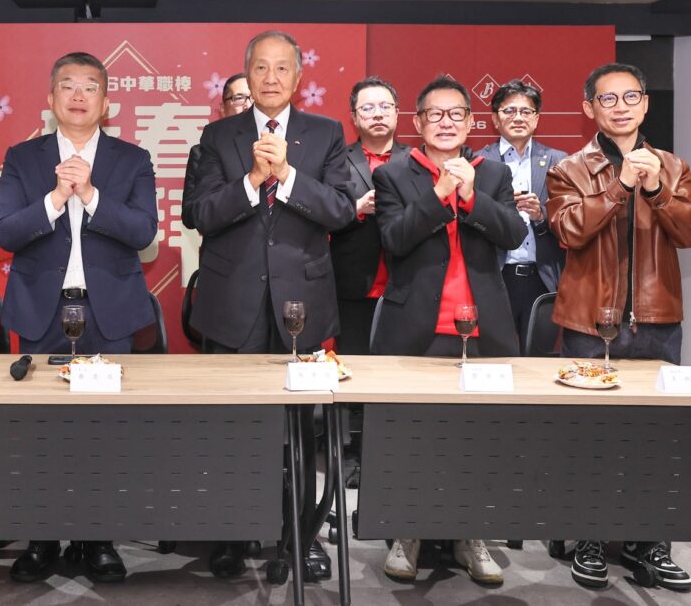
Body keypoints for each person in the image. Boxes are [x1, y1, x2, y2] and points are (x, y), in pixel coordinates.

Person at [185, 31, 356, 581]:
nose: (272, 78)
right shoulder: (218, 136)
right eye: (261, 68)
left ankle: (299, 536)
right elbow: (200, 214)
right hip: (230, 303)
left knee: (300, 433)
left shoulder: (326, 134)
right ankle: (231, 535)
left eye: (283, 68)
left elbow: (341, 211)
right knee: (231, 429)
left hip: (301, 305)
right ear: (248, 74)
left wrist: (286, 176)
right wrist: (253, 179)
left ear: (299, 77)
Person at [0, 51, 157, 584]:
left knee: (104, 431)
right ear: (51, 99)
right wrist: (55, 198)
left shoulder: (132, 159)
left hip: (107, 312)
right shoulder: (23, 157)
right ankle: (42, 537)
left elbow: (143, 232)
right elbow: (7, 232)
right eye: (68, 85)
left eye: (90, 86)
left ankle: (98, 538)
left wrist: (89, 193)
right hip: (42, 310)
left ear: (106, 102)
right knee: (39, 430)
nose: (79, 95)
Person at [373, 75, 527, 586]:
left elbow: (513, 233)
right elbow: (394, 240)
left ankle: (471, 536)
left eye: (456, 113)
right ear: (418, 123)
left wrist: (471, 196)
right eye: (435, 114)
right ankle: (407, 533)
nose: (446, 122)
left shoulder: (494, 171)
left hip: (483, 327)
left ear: (470, 122)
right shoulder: (394, 174)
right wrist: (439, 195)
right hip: (418, 328)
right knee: (412, 437)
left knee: (479, 439)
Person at [546, 63, 691, 592]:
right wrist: (620, 186)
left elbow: (687, 232)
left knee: (658, 436)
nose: (621, 107)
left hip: (658, 321)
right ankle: (588, 537)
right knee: (589, 435)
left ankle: (649, 541)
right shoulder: (568, 168)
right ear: (590, 109)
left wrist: (655, 191)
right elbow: (568, 230)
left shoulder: (673, 167)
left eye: (631, 97)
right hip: (590, 323)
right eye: (608, 99)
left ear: (646, 104)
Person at [476, 79, 567, 355]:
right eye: (509, 111)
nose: (518, 117)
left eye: (526, 111)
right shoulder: (478, 162)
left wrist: (541, 214)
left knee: (538, 360)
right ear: (495, 119)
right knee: (494, 358)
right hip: (494, 276)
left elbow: (570, 220)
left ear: (536, 119)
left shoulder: (558, 161)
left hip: (542, 277)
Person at [330, 76, 410, 357]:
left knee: (403, 368)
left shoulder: (417, 160)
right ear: (353, 117)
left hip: (407, 286)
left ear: (397, 113)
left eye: (385, 107)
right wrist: (356, 209)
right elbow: (320, 215)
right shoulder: (336, 161)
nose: (378, 114)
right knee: (353, 365)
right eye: (367, 108)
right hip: (352, 287)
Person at [182, 73, 251, 231]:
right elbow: (190, 216)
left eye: (253, 98)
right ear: (222, 109)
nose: (247, 105)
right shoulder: (202, 152)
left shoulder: (276, 148)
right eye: (239, 98)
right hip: (224, 242)